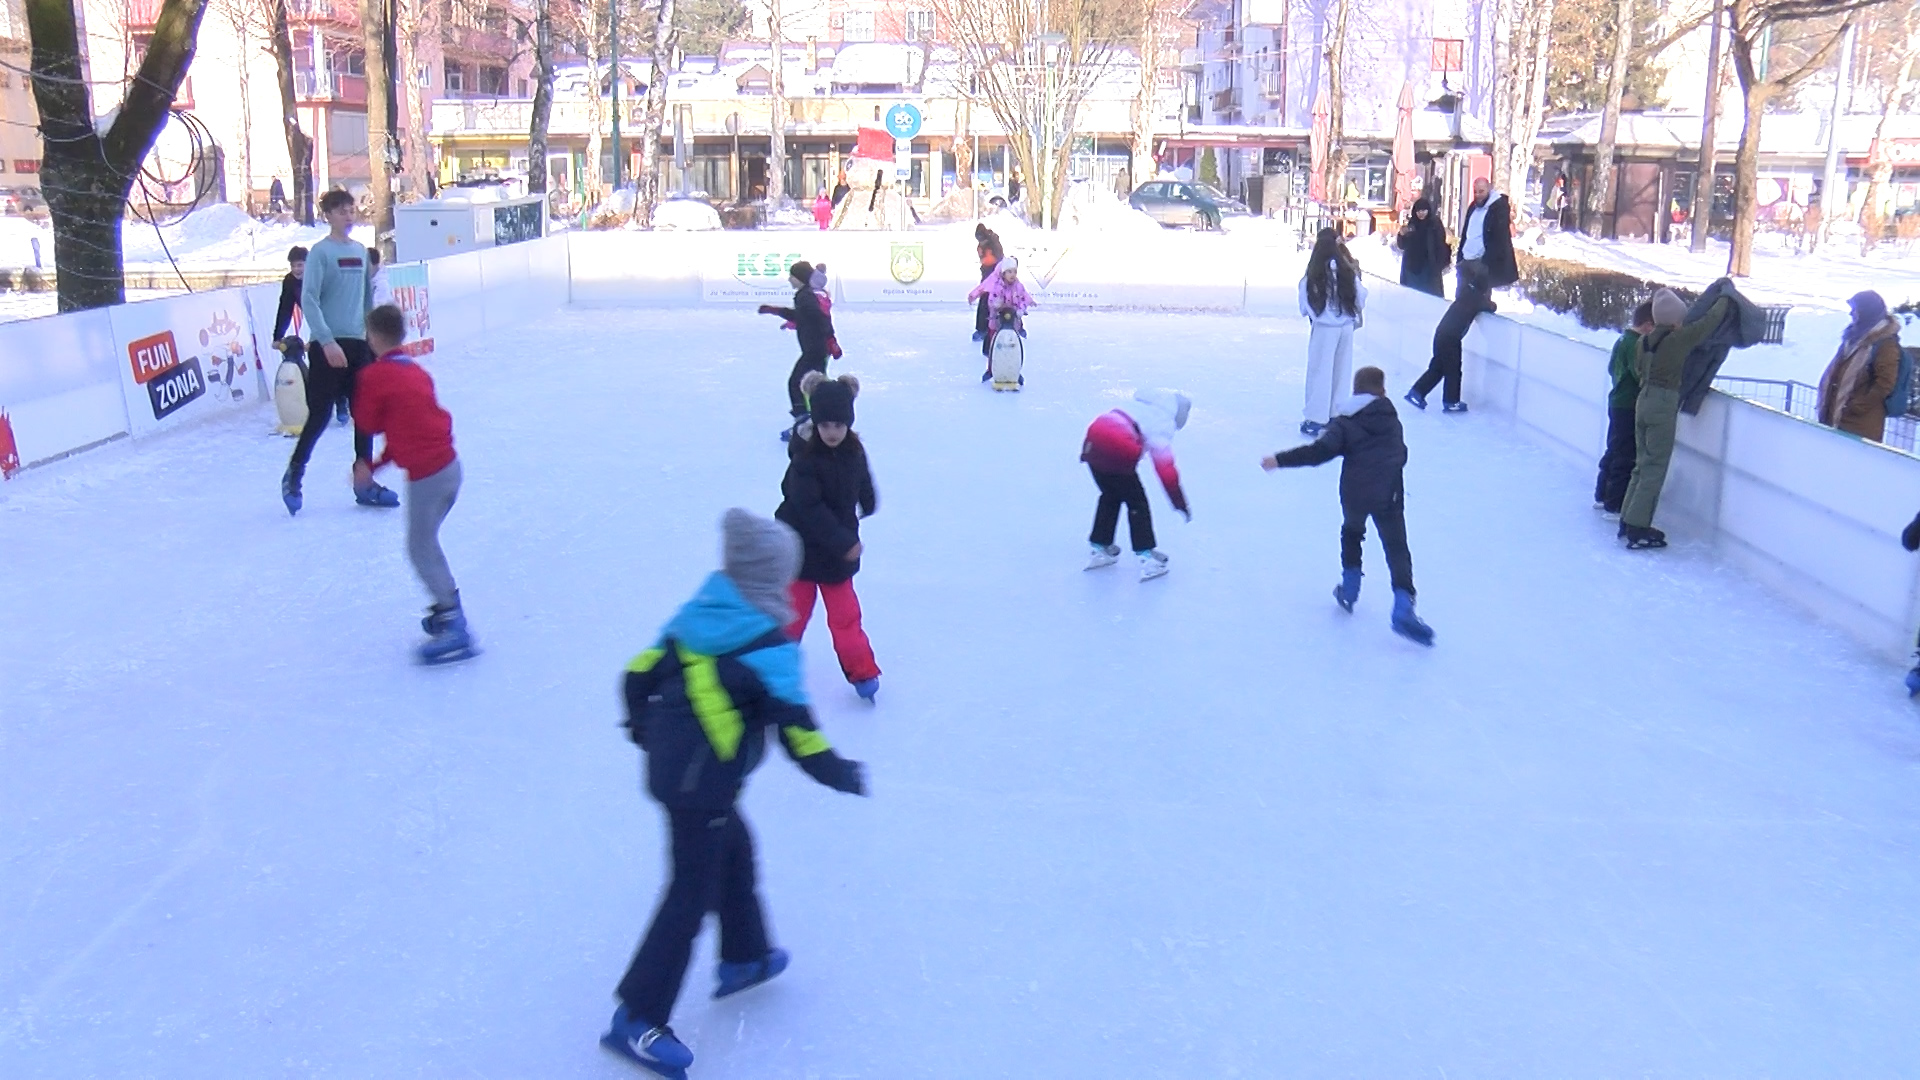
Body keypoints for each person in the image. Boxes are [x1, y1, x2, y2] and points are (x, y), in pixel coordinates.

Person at [602, 508, 867, 1079]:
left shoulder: (701, 612)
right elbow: (799, 732)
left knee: (736, 852)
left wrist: (641, 729)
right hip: (702, 786)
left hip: (680, 773)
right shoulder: (767, 643)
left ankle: (744, 957)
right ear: (774, 578)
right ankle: (638, 1016)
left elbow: (637, 673)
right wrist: (837, 771)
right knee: (689, 895)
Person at [1262, 366, 1434, 646]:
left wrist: (1279, 460)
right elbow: (1401, 452)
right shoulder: (1390, 416)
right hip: (1389, 493)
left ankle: (1350, 589)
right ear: (1383, 390)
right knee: (1396, 547)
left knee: (1352, 532)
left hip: (1354, 493)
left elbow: (1318, 452)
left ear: (1354, 390)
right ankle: (1403, 606)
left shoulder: (1344, 422)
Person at [349, 304, 472, 664]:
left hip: (428, 478)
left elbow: (367, 422)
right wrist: (374, 466)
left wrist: (366, 465)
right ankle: (447, 608)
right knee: (426, 544)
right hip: (450, 468)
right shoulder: (416, 372)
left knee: (420, 548)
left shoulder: (376, 376)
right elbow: (404, 434)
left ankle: (454, 621)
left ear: (372, 336)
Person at [281, 188, 396, 515]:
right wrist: (326, 341)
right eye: (341, 211)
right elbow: (309, 300)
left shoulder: (360, 252)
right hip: (326, 346)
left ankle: (364, 482)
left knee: (365, 415)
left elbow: (364, 300)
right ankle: (294, 474)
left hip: (358, 346)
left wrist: (372, 340)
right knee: (319, 416)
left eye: (351, 209)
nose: (348, 215)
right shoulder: (320, 253)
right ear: (328, 216)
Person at [774, 374, 882, 701]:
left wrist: (868, 499)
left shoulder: (854, 450)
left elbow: (862, 476)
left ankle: (862, 673)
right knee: (790, 621)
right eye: (825, 425)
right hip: (804, 555)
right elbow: (809, 508)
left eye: (839, 424)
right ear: (815, 424)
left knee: (846, 621)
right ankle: (770, 674)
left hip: (836, 560)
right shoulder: (805, 459)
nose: (832, 432)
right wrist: (844, 542)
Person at [1619, 287, 1733, 550]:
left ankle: (1627, 518)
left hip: (1642, 401)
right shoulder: (1676, 341)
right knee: (1655, 466)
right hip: (1662, 403)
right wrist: (1726, 297)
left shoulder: (1642, 343)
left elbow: (1638, 370)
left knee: (1641, 462)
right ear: (1673, 320)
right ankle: (1638, 526)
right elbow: (1707, 324)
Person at [1080, 388, 1191, 581]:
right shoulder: (1162, 423)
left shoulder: (1143, 405)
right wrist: (1180, 502)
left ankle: (1100, 546)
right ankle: (1147, 557)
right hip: (1118, 448)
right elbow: (1166, 470)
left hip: (1093, 440)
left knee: (1110, 495)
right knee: (1137, 503)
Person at [1298, 227, 1367, 437]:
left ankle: (1316, 417)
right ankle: (1336, 414)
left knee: (1320, 371)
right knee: (1341, 372)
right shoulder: (1346, 271)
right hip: (1345, 327)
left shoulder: (1315, 272)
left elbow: (1305, 300)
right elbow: (1361, 295)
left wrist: (1317, 315)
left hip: (1324, 328)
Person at [1404, 260, 1493, 413]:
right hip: (1451, 338)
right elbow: (1491, 307)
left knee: (1438, 367)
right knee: (1453, 370)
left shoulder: (1465, 293)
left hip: (1441, 334)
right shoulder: (1477, 299)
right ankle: (1451, 401)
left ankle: (1417, 392)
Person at [756, 260, 834, 432]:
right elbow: (805, 318)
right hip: (818, 348)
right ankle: (823, 416)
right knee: (815, 384)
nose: (790, 279)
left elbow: (819, 318)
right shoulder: (807, 295)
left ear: (800, 278)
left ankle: (807, 421)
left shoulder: (804, 296)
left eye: (792, 276)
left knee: (799, 383)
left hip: (815, 349)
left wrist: (830, 339)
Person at [1816, 290, 1904, 443]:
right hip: (1837, 418)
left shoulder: (1885, 344)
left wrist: (1855, 407)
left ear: (1866, 312)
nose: (1851, 313)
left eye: (1855, 309)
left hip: (1859, 426)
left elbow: (1884, 384)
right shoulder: (1853, 338)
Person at [1593, 301, 1655, 518]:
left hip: (1617, 402)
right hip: (1628, 405)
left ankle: (1602, 494)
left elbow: (1613, 368)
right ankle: (1614, 503)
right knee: (1625, 454)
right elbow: (1639, 374)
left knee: (1614, 448)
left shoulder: (1622, 340)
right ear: (1648, 325)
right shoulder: (1636, 344)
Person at [966, 255, 1034, 375]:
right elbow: (985, 291)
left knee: (1013, 346)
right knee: (995, 346)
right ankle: (991, 370)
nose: (1012, 274)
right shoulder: (997, 285)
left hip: (1013, 322)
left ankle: (1015, 372)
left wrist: (1022, 308)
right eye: (1009, 272)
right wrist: (995, 305)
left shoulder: (1018, 286)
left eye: (1014, 271)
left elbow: (1024, 297)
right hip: (996, 322)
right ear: (1003, 273)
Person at [1456, 177, 1518, 289]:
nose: (1478, 195)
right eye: (1475, 192)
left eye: (1481, 191)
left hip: (1481, 263)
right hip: (1466, 260)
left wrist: (1486, 262)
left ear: (1489, 189)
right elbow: (1466, 233)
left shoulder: (1497, 208)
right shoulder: (1473, 207)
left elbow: (1499, 240)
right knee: (1460, 300)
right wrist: (1460, 258)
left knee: (1480, 301)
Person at [1396, 198, 1450, 298]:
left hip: (1429, 268)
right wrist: (1401, 235)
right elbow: (1402, 245)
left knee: (1429, 297)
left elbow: (1440, 244)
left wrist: (1440, 264)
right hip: (1412, 268)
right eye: (1418, 211)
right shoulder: (1412, 224)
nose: (1421, 213)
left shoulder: (1435, 224)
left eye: (1424, 210)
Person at [973, 223, 1004, 343]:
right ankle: (981, 328)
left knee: (1005, 297)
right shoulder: (981, 245)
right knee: (985, 299)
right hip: (987, 273)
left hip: (997, 271)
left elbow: (999, 256)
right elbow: (984, 259)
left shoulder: (993, 241)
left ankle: (1012, 325)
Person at [271, 245, 307, 344]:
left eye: (300, 265)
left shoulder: (319, 277)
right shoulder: (290, 281)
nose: (296, 269)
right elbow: (285, 309)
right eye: (293, 266)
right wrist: (278, 337)